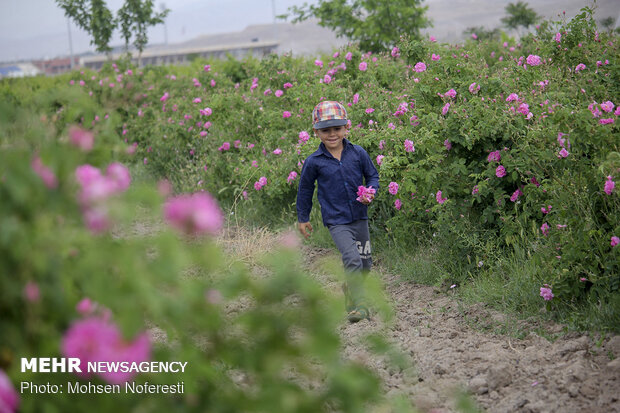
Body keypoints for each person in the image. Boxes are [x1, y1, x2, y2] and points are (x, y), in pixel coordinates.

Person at [296, 100, 380, 323]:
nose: (332, 134)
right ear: (316, 132)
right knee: (352, 258)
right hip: (336, 221)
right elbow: (305, 190)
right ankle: (360, 304)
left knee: (365, 262)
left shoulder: (358, 153)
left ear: (346, 128)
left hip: (359, 217)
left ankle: (350, 289)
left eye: (337, 128)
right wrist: (302, 218)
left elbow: (372, 176)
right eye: (325, 130)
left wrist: (370, 191)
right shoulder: (314, 162)